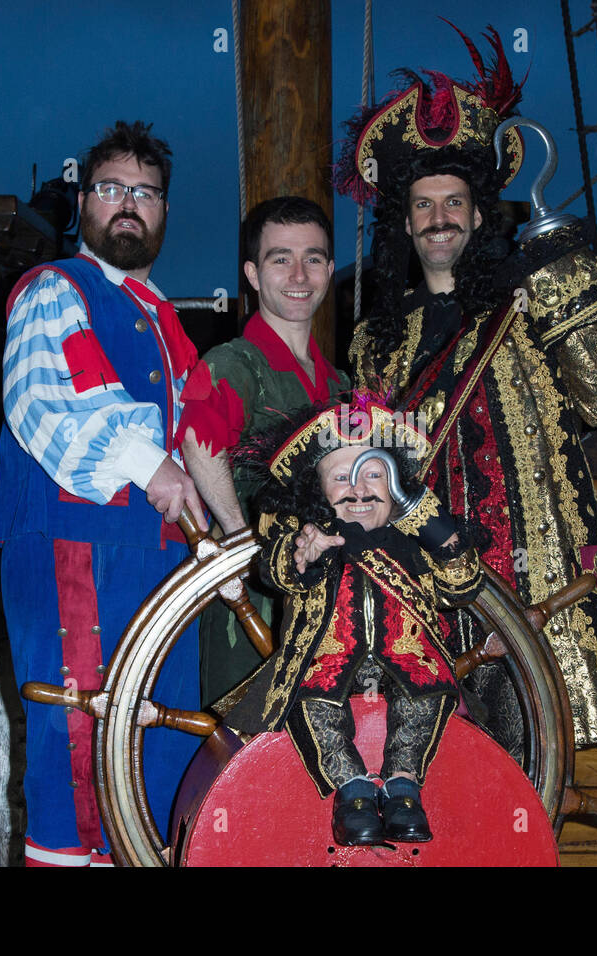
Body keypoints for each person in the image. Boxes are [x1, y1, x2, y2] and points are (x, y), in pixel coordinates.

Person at [336, 26, 597, 754]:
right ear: (405, 223)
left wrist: (564, 265)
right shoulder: (376, 343)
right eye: (423, 204)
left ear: (479, 215)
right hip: (423, 589)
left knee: (539, 770)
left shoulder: (535, 301)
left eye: (453, 202)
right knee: (436, 782)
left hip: (536, 586)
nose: (439, 217)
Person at [0, 120, 208, 867]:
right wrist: (155, 468)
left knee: (160, 740)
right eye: (112, 188)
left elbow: (201, 443)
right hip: (74, 551)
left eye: (145, 194)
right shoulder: (56, 291)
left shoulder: (166, 322)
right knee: (76, 745)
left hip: (160, 565)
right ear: (84, 201)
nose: (128, 204)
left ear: (164, 214)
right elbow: (55, 402)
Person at [214, 394, 483, 844]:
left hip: (410, 658)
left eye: (374, 473)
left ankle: (403, 783)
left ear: (397, 483)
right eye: (341, 477)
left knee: (427, 696)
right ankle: (352, 790)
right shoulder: (307, 533)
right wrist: (305, 551)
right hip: (324, 661)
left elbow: (463, 584)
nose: (359, 488)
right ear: (316, 492)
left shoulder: (413, 538)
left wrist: (432, 525)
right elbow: (277, 571)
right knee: (313, 703)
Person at [176, 196, 348, 706]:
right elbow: (197, 438)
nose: (299, 273)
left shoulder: (341, 386)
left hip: (331, 602)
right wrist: (242, 538)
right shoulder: (236, 362)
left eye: (313, 258)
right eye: (280, 258)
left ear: (330, 270)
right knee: (251, 755)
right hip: (257, 600)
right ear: (252, 273)